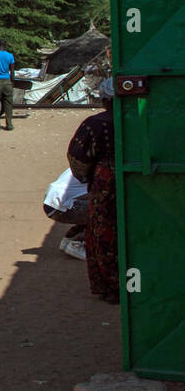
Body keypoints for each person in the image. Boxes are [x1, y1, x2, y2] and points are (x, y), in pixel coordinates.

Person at [67, 78, 117, 302]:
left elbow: (77, 157)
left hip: (105, 183)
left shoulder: (95, 124)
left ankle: (110, 287)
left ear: (105, 99)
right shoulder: (141, 118)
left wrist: (86, 176)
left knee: (104, 231)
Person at [43, 168, 89, 259]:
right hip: (59, 205)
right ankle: (79, 243)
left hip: (53, 204)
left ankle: (71, 237)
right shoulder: (104, 166)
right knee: (107, 208)